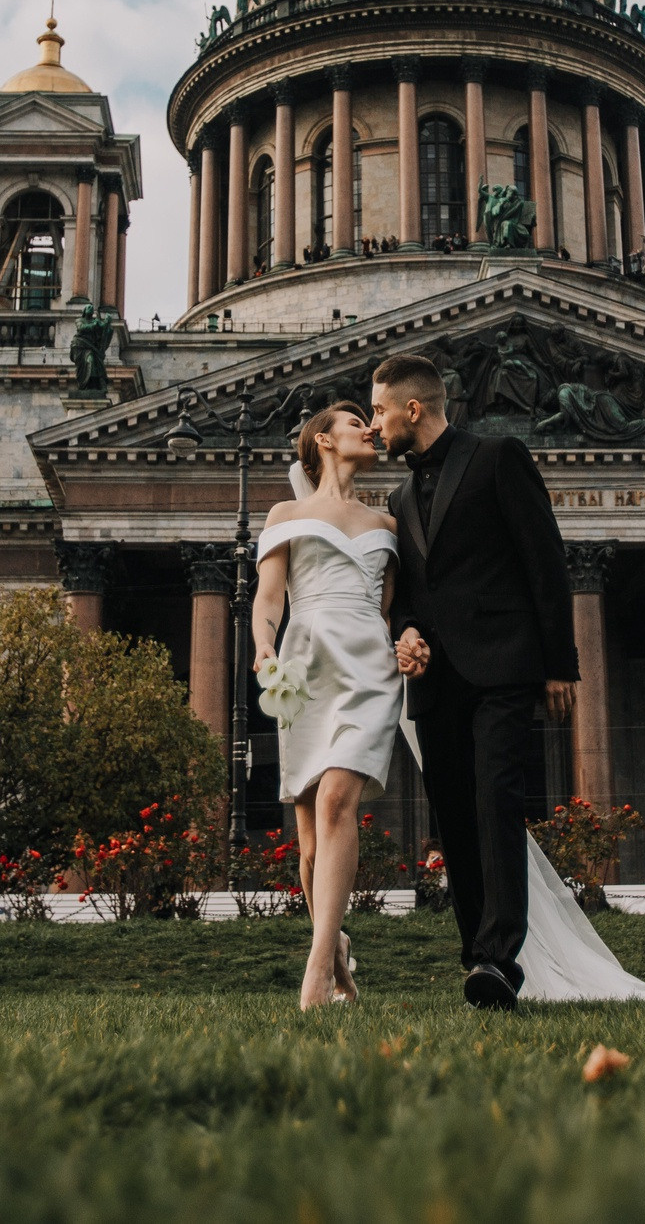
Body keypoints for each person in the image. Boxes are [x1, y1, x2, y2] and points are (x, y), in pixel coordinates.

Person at [374, 353, 645, 1009]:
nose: (374, 426)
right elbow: (406, 591)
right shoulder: (399, 495)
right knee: (454, 819)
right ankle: (475, 954)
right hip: (436, 679)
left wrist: (557, 664)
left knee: (497, 802)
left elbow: (545, 560)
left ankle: (498, 956)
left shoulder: (497, 457)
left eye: (378, 410)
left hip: (501, 666)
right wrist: (404, 630)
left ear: (413, 408)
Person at [251, 401, 398, 1010]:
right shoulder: (285, 513)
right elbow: (268, 599)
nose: (369, 427)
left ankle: (313, 975)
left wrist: (405, 643)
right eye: (354, 422)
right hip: (306, 663)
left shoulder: (388, 524)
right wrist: (264, 650)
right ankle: (335, 952)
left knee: (340, 799)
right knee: (310, 844)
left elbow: (391, 610)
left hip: (367, 664)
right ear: (324, 441)